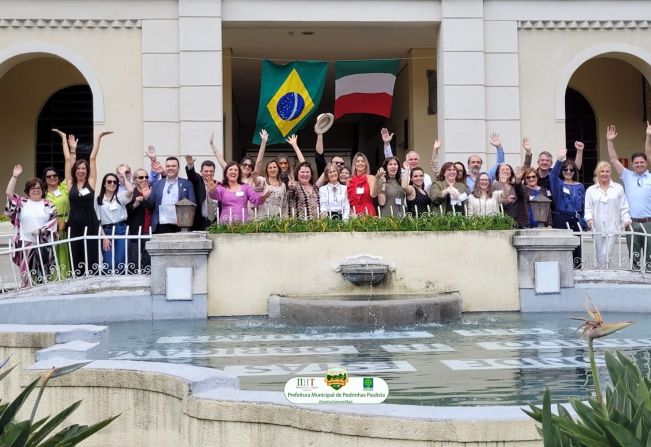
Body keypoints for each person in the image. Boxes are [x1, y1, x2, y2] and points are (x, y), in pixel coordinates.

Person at [606, 123, 651, 271]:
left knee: (650, 260)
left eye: (642, 162)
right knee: (635, 259)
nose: (639, 164)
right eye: (636, 162)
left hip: (649, 222)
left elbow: (649, 154)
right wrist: (610, 141)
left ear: (646, 163)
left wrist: (648, 136)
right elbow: (613, 159)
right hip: (632, 223)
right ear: (632, 164)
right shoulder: (627, 175)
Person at [65, 130, 111, 275]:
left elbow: (93, 158)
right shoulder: (70, 183)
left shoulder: (90, 183)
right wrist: (72, 150)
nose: (81, 170)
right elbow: (68, 161)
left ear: (87, 170)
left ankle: (92, 280)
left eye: (83, 168)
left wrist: (98, 138)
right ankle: (77, 281)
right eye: (78, 168)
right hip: (74, 223)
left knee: (91, 255)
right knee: (76, 253)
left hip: (90, 222)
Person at [5, 165, 58, 285]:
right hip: (25, 243)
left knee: (44, 276)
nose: (36, 190)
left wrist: (41, 230)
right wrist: (14, 176)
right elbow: (9, 193)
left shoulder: (49, 204)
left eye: (38, 188)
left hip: (44, 245)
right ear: (28, 191)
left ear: (42, 190)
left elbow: (53, 221)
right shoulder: (22, 202)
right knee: (26, 277)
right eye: (33, 188)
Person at [584, 161, 631, 269]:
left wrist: (626, 218)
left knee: (606, 253)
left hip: (613, 226)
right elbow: (588, 208)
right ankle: (603, 273)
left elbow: (623, 206)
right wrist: (589, 219)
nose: (605, 174)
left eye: (607, 171)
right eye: (602, 171)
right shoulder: (591, 190)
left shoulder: (618, 188)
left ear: (610, 173)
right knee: (599, 252)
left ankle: (602, 273)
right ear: (597, 173)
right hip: (597, 227)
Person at [550, 147, 585, 268]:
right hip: (561, 218)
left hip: (576, 219)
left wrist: (585, 220)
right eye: (565, 169)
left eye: (571, 170)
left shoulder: (580, 185)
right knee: (562, 247)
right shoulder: (558, 183)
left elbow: (583, 204)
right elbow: (553, 175)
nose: (568, 171)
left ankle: (577, 272)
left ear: (575, 171)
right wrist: (559, 159)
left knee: (576, 249)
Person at [45, 129, 73, 278]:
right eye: (49, 176)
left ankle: (66, 277)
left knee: (66, 251)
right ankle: (53, 279)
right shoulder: (43, 194)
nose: (52, 178)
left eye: (54, 175)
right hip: (51, 227)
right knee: (52, 252)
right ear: (45, 179)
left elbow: (68, 163)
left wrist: (64, 140)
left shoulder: (63, 187)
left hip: (67, 224)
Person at [147, 156, 196, 233]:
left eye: (173, 166)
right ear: (165, 168)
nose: (170, 168)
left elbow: (192, 204)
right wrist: (147, 197)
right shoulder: (157, 184)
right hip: (160, 226)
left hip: (180, 226)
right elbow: (151, 206)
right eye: (168, 166)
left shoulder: (187, 183)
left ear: (178, 168)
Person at [96, 172, 133, 273]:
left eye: (115, 182)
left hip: (121, 230)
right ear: (104, 184)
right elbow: (97, 222)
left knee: (120, 262)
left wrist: (124, 177)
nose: (112, 184)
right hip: (107, 232)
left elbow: (130, 190)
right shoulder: (98, 200)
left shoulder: (120, 197)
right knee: (108, 263)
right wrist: (104, 238)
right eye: (109, 181)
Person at [126, 168, 153, 271]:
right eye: (141, 177)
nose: (144, 179)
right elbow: (126, 213)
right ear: (135, 179)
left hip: (149, 231)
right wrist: (135, 204)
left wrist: (146, 197)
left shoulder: (151, 190)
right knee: (134, 263)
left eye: (146, 177)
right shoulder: (131, 192)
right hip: (135, 232)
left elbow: (153, 207)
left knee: (147, 264)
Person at [185, 156, 218, 230]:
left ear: (214, 172)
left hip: (215, 221)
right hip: (200, 221)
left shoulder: (218, 184)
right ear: (201, 172)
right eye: (206, 171)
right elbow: (192, 175)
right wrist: (190, 165)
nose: (209, 173)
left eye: (211, 171)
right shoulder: (198, 181)